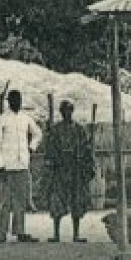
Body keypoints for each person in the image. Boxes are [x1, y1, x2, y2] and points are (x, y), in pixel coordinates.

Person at [0, 89, 42, 243]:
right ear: (9, 101)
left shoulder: (26, 119)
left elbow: (38, 133)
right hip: (7, 166)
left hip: (22, 164)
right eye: (13, 99)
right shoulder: (1, 120)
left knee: (21, 200)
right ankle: (2, 233)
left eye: (18, 99)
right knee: (5, 201)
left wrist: (31, 147)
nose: (16, 102)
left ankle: (20, 231)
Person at [42, 100, 94, 243]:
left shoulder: (79, 130)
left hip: (75, 170)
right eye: (64, 110)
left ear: (72, 111)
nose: (67, 113)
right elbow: (50, 150)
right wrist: (51, 165)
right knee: (57, 200)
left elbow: (87, 149)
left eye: (69, 110)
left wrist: (88, 166)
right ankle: (56, 234)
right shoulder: (55, 130)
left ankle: (76, 234)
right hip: (60, 170)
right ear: (61, 112)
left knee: (77, 200)